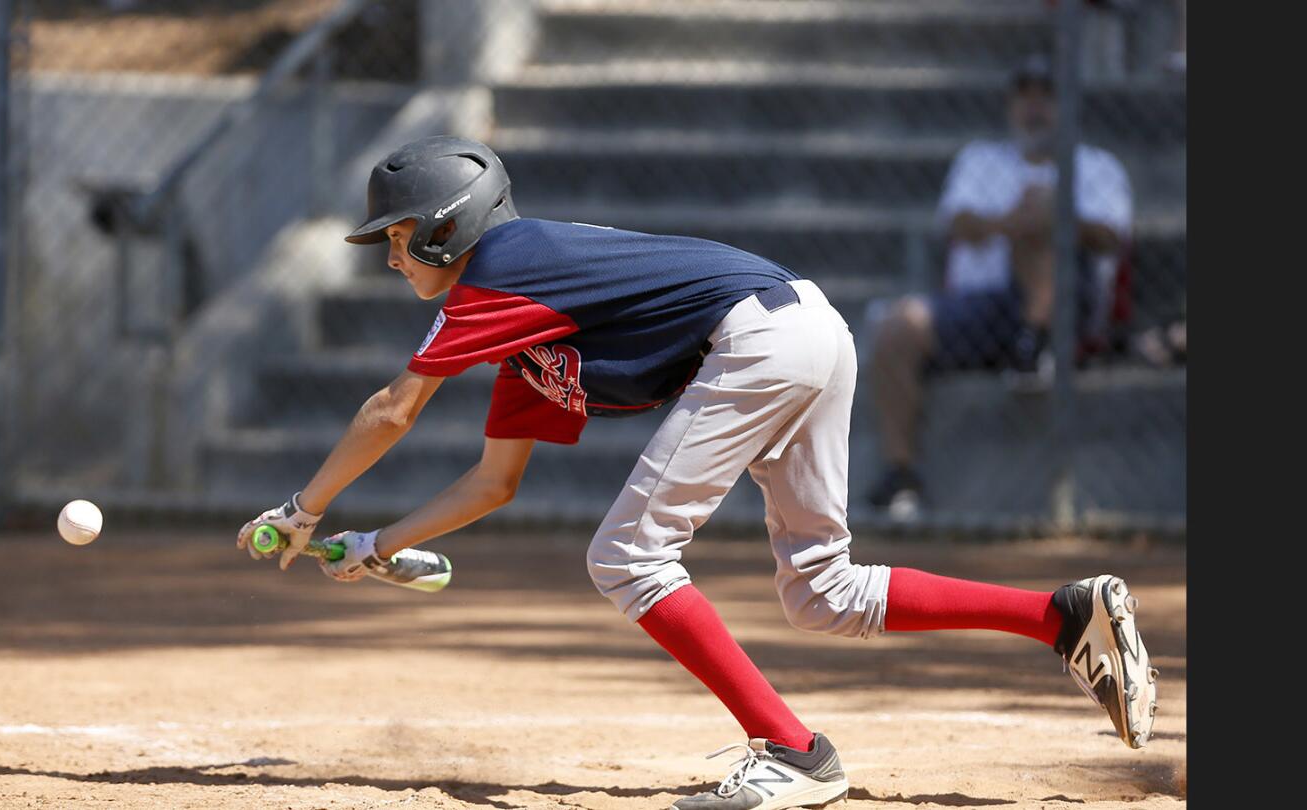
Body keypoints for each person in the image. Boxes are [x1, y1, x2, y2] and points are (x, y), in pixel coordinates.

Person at [236, 135, 1157, 810]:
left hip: (761, 337)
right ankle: (1060, 617)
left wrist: (302, 509)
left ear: (446, 231)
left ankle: (792, 753)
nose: (390, 257)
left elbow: (392, 410)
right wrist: (378, 543)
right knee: (821, 590)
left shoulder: (499, 273)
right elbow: (492, 482)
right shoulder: (521, 331)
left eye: (398, 237)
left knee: (627, 557)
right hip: (801, 329)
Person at [866, 56, 1132, 518]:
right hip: (981, 309)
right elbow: (958, 223)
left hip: (1072, 308)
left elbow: (1113, 237)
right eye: (1024, 95)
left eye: (1046, 95)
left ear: (1067, 104)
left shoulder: (1096, 165)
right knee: (895, 329)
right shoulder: (980, 159)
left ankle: (1036, 339)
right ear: (1010, 104)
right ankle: (900, 476)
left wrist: (1055, 217)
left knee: (1044, 219)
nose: (1035, 107)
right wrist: (1018, 219)